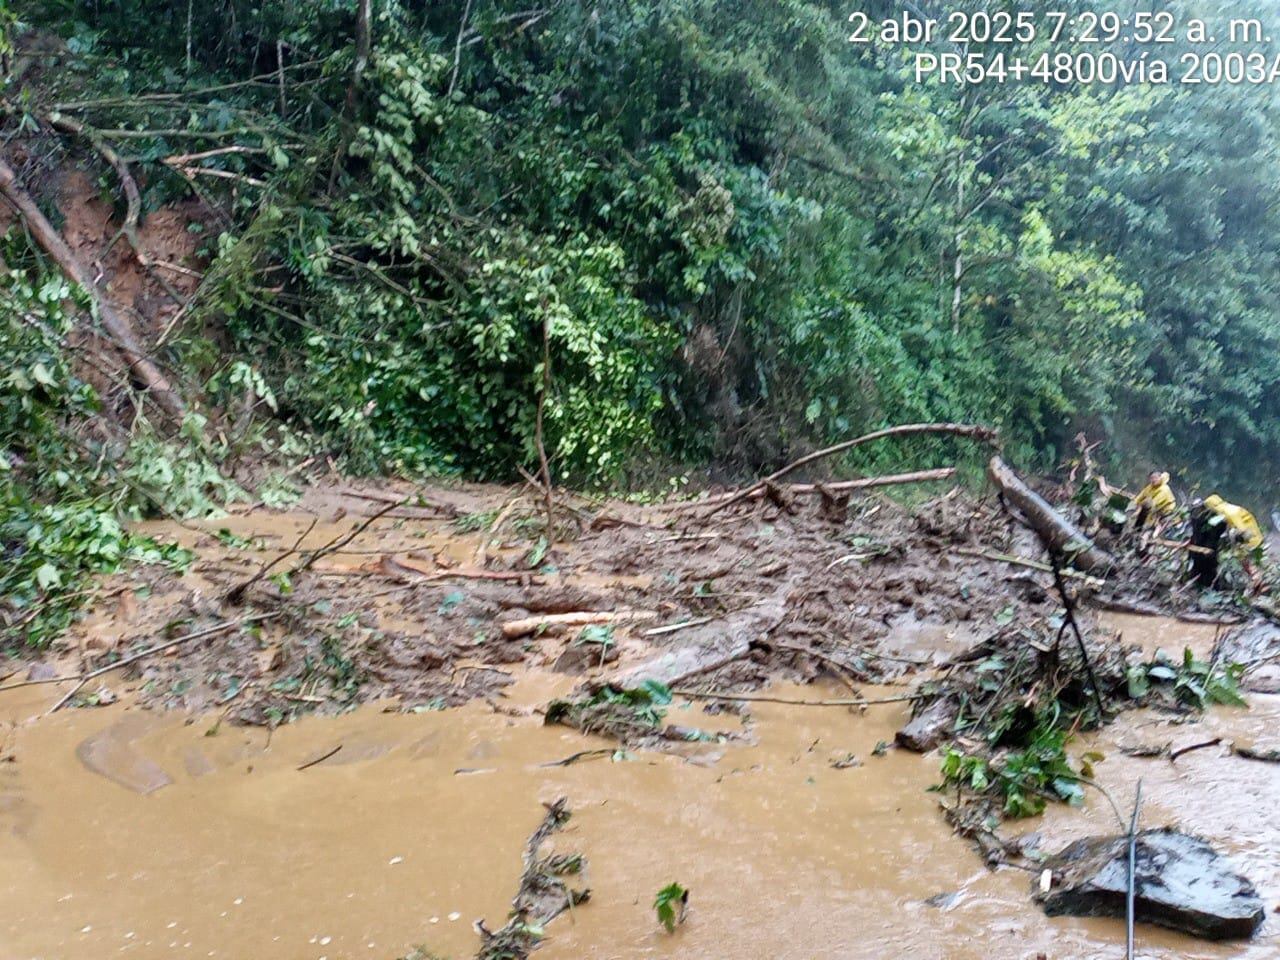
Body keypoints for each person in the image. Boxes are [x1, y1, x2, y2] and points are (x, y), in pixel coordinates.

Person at [1187, 494, 1264, 589]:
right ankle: (1255, 579)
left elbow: (1242, 531)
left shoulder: (1229, 512)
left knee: (1244, 559)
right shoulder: (1227, 509)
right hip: (1251, 535)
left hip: (1250, 538)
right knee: (1242, 559)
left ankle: (1257, 579)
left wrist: (1233, 537)